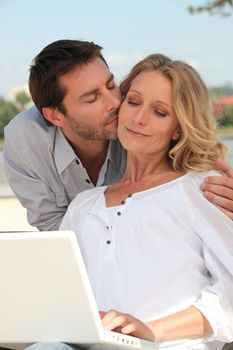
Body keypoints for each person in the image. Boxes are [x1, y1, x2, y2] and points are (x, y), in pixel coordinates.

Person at [58, 54, 233, 350]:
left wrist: (149, 330)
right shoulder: (82, 206)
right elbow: (61, 295)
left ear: (178, 128)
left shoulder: (201, 189)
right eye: (134, 102)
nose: (139, 118)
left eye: (160, 112)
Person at [3, 39, 233, 232]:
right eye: (92, 98)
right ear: (55, 116)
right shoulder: (26, 141)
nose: (116, 103)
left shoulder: (136, 127)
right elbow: (54, 230)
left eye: (111, 85)